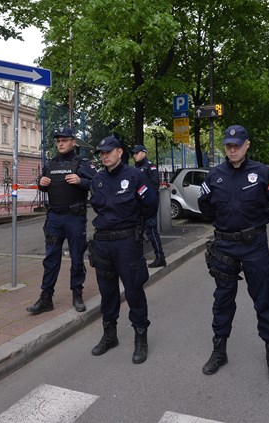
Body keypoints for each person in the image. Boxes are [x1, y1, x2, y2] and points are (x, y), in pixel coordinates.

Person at [198, 125, 269, 387]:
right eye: (228, 144)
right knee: (223, 300)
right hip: (225, 247)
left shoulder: (262, 173)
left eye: (237, 144)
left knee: (264, 299)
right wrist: (224, 223)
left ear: (247, 144)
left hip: (254, 246)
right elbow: (204, 206)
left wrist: (258, 222)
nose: (232, 148)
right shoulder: (214, 175)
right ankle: (220, 351)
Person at [88, 135, 158, 364]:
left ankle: (140, 337)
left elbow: (150, 205)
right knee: (107, 292)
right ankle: (110, 335)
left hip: (127, 242)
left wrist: (135, 225)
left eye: (108, 151)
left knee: (133, 290)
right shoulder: (97, 179)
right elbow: (97, 207)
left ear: (119, 152)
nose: (104, 156)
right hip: (103, 243)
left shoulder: (135, 176)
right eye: (102, 153)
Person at [26, 127, 96, 314]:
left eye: (64, 140)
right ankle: (46, 298)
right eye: (58, 141)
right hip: (54, 217)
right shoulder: (50, 164)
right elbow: (44, 184)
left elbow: (98, 183)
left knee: (76, 258)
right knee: (50, 259)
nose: (61, 144)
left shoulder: (82, 163)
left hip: (74, 217)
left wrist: (81, 181)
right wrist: (41, 184)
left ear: (73, 142)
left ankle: (77, 294)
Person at [131, 144, 166, 268]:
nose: (134, 155)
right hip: (138, 206)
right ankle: (139, 259)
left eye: (136, 153)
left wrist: (147, 201)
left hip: (148, 205)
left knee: (151, 232)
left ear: (144, 153)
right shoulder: (135, 167)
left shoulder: (150, 167)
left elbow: (154, 186)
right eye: (133, 153)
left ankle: (160, 257)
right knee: (138, 232)